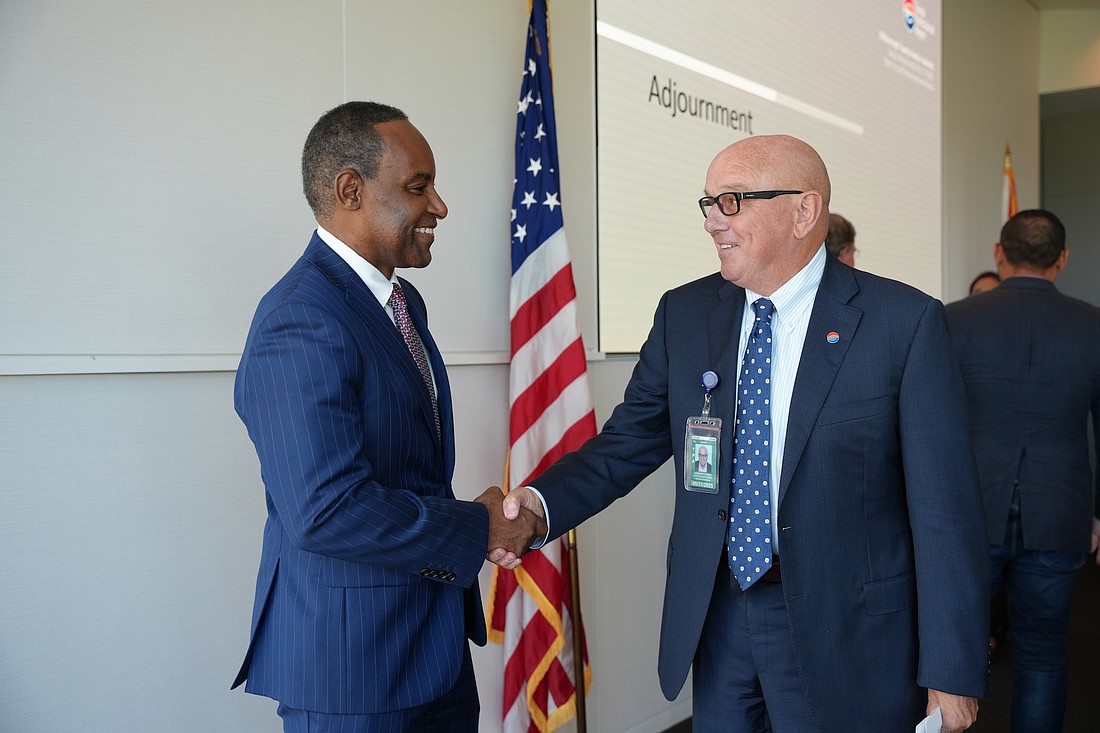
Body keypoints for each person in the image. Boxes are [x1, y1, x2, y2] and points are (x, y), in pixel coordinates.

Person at [493, 134, 990, 732]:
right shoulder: (686, 313)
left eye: (732, 202)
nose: (712, 223)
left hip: (847, 630)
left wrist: (953, 669)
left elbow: (945, 513)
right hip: (720, 615)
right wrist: (538, 511)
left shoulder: (902, 323)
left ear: (804, 211)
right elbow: (625, 444)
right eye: (707, 204)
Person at [231, 101, 544, 733]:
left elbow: (408, 467)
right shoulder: (301, 317)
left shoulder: (401, 301)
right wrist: (475, 527)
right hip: (354, 673)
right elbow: (326, 509)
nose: (440, 207)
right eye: (418, 187)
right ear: (351, 189)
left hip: (431, 653)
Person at [946, 209, 1100, 733]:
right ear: (1063, 258)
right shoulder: (1094, 326)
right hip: (1060, 513)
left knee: (948, 655)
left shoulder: (953, 319)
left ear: (998, 252)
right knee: (1042, 656)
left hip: (967, 513)